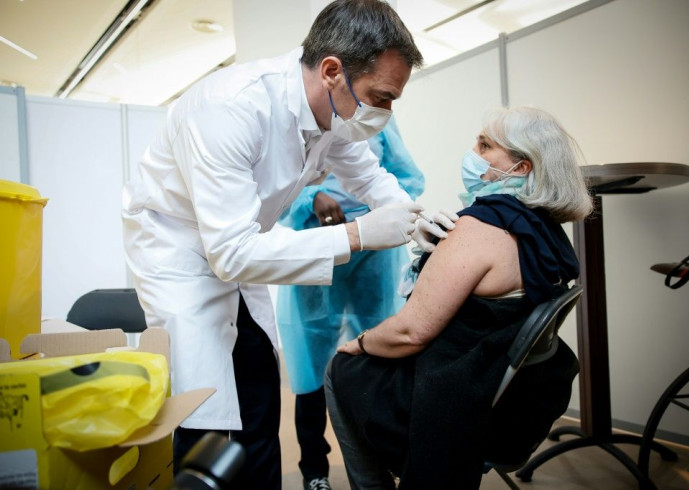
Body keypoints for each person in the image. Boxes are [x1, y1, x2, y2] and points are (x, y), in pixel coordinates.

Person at [121, 1, 448, 487]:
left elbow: (370, 175)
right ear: (332, 71)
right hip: (181, 258)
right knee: (207, 412)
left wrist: (415, 216)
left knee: (258, 389)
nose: (386, 112)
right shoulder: (231, 107)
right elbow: (229, 253)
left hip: (243, 246)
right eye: (381, 96)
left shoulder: (331, 114)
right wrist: (357, 236)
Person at [324, 106, 594, 489]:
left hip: (454, 397)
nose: (472, 152)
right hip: (514, 398)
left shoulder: (478, 227)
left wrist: (360, 343)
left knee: (340, 370)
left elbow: (410, 333)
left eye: (485, 145)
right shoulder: (545, 230)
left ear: (520, 168)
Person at [276, 115, 425, 490]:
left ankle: (380, 464)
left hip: (373, 253)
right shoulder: (298, 126)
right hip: (317, 247)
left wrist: (375, 219)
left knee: (375, 358)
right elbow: (278, 197)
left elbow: (407, 179)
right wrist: (313, 199)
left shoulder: (378, 124)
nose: (383, 103)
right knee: (309, 367)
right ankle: (314, 471)